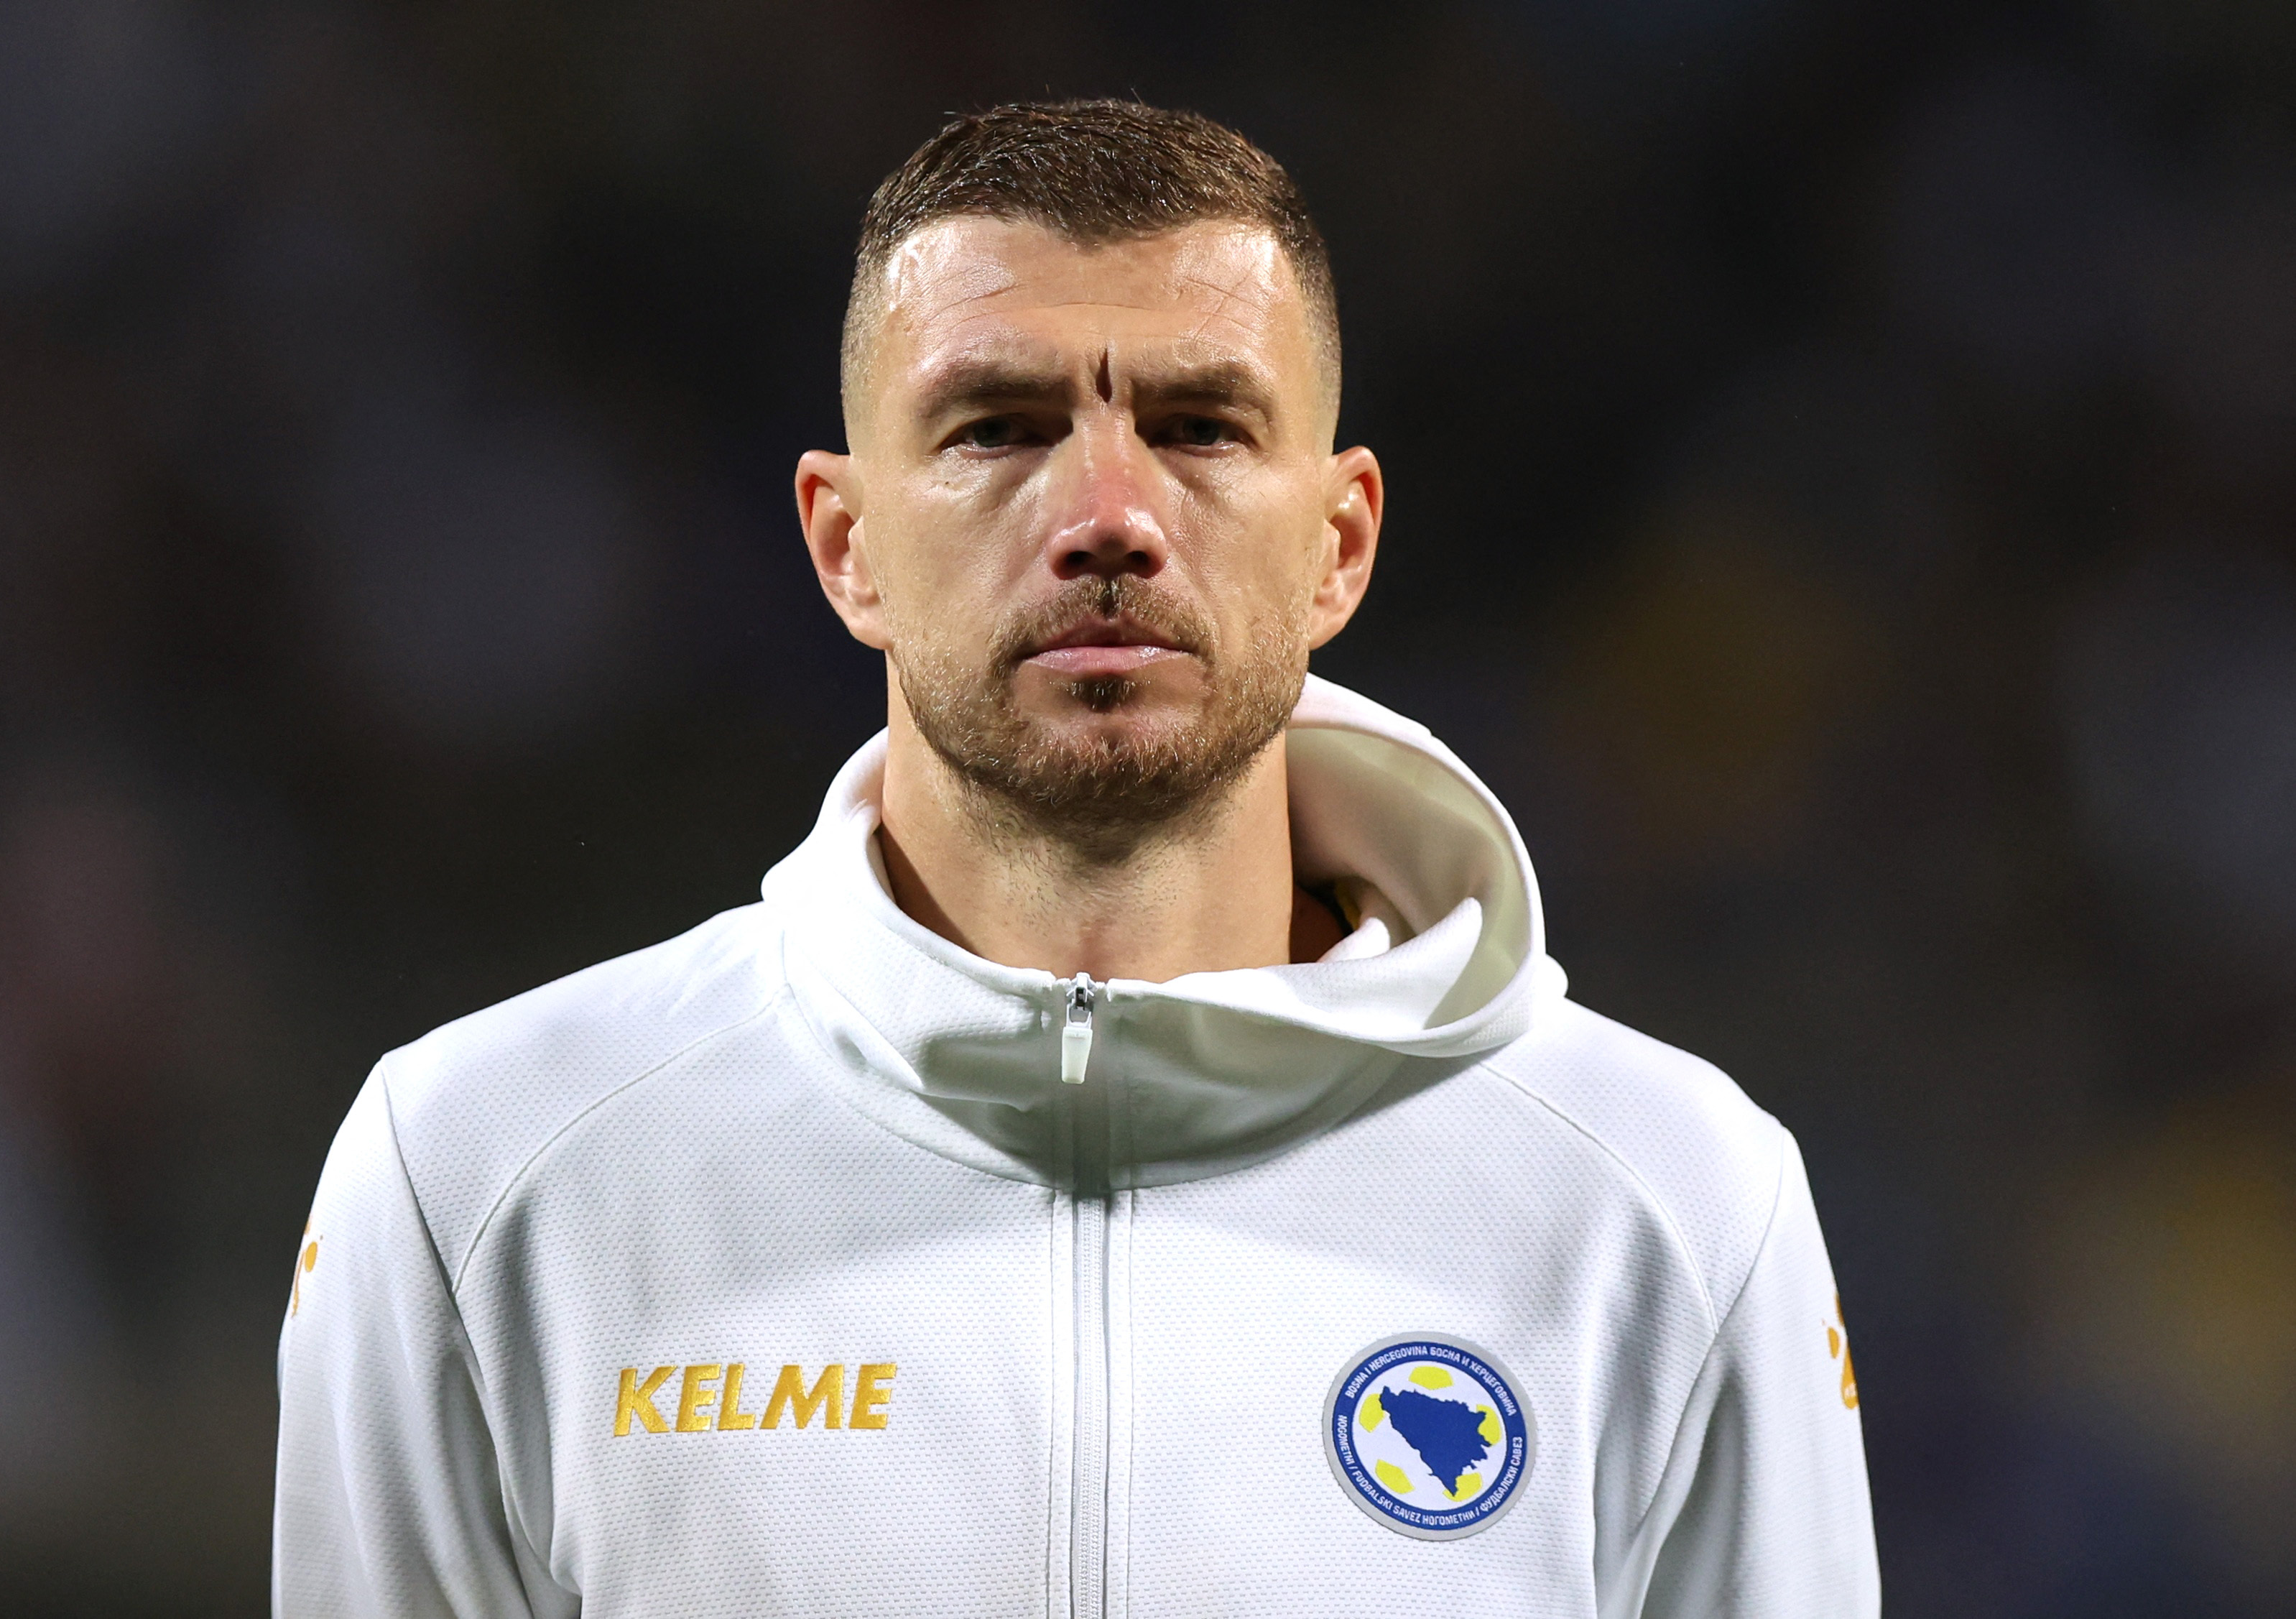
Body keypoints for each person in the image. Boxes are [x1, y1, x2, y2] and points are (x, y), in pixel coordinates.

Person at [273, 100, 1878, 1618]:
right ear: (846, 544)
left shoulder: (1666, 1204)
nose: (1107, 512)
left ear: (1338, 543)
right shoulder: (485, 1175)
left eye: (1196, 426)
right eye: (995, 425)